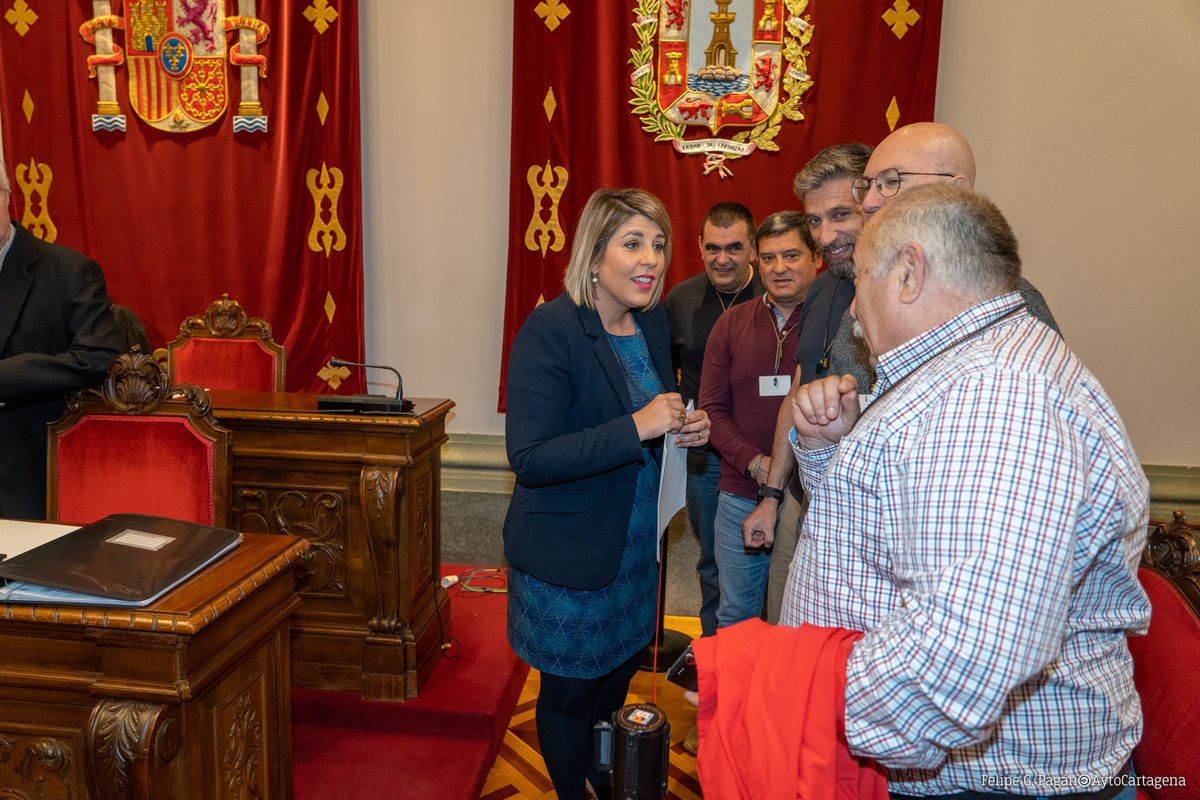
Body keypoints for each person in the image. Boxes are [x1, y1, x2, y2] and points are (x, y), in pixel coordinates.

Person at [782, 183, 1146, 797]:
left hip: (983, 782)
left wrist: (791, 697)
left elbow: (961, 653)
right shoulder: (968, 371)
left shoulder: (995, 395)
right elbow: (883, 532)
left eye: (860, 279)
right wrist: (829, 450)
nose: (850, 310)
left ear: (908, 273)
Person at [744, 124, 1060, 603]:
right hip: (819, 500)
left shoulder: (1000, 307)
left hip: (904, 540)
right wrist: (774, 493)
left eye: (844, 213)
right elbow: (802, 391)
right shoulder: (828, 286)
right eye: (814, 221)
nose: (827, 236)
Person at [503, 187, 712, 800]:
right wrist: (639, 427)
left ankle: (601, 773)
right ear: (594, 255)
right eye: (632, 244)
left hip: (634, 552)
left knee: (618, 674)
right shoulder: (550, 330)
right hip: (570, 556)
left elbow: (648, 415)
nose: (651, 258)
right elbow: (532, 458)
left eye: (658, 244)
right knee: (569, 693)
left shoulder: (649, 321)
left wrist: (682, 427)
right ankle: (574, 791)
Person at [698, 211, 818, 627]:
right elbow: (711, 409)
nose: (778, 268)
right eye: (768, 258)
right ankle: (731, 696)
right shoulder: (732, 323)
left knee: (795, 618)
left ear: (815, 258)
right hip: (740, 492)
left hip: (811, 498)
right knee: (735, 616)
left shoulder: (835, 324)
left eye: (790, 255)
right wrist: (756, 463)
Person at [0, 159, 124, 520]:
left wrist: (7, 376)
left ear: (6, 197)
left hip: (28, 474)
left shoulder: (68, 272)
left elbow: (98, 356)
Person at [663, 202, 763, 639]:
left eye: (735, 248)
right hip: (705, 458)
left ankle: (761, 659)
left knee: (769, 560)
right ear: (699, 248)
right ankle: (713, 655)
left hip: (764, 452)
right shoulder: (681, 300)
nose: (723, 259)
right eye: (713, 248)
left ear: (754, 250)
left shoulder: (773, 290)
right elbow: (664, 375)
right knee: (713, 561)